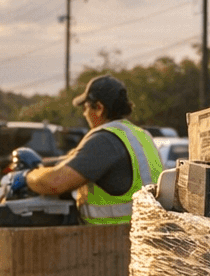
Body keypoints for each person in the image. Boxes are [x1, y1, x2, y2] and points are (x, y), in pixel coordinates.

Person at [10, 75, 162, 224]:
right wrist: (50, 162)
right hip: (145, 235)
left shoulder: (104, 139)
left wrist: (26, 176)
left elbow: (55, 183)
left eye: (85, 107)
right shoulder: (141, 135)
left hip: (115, 239)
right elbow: (83, 159)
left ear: (99, 108)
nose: (84, 113)